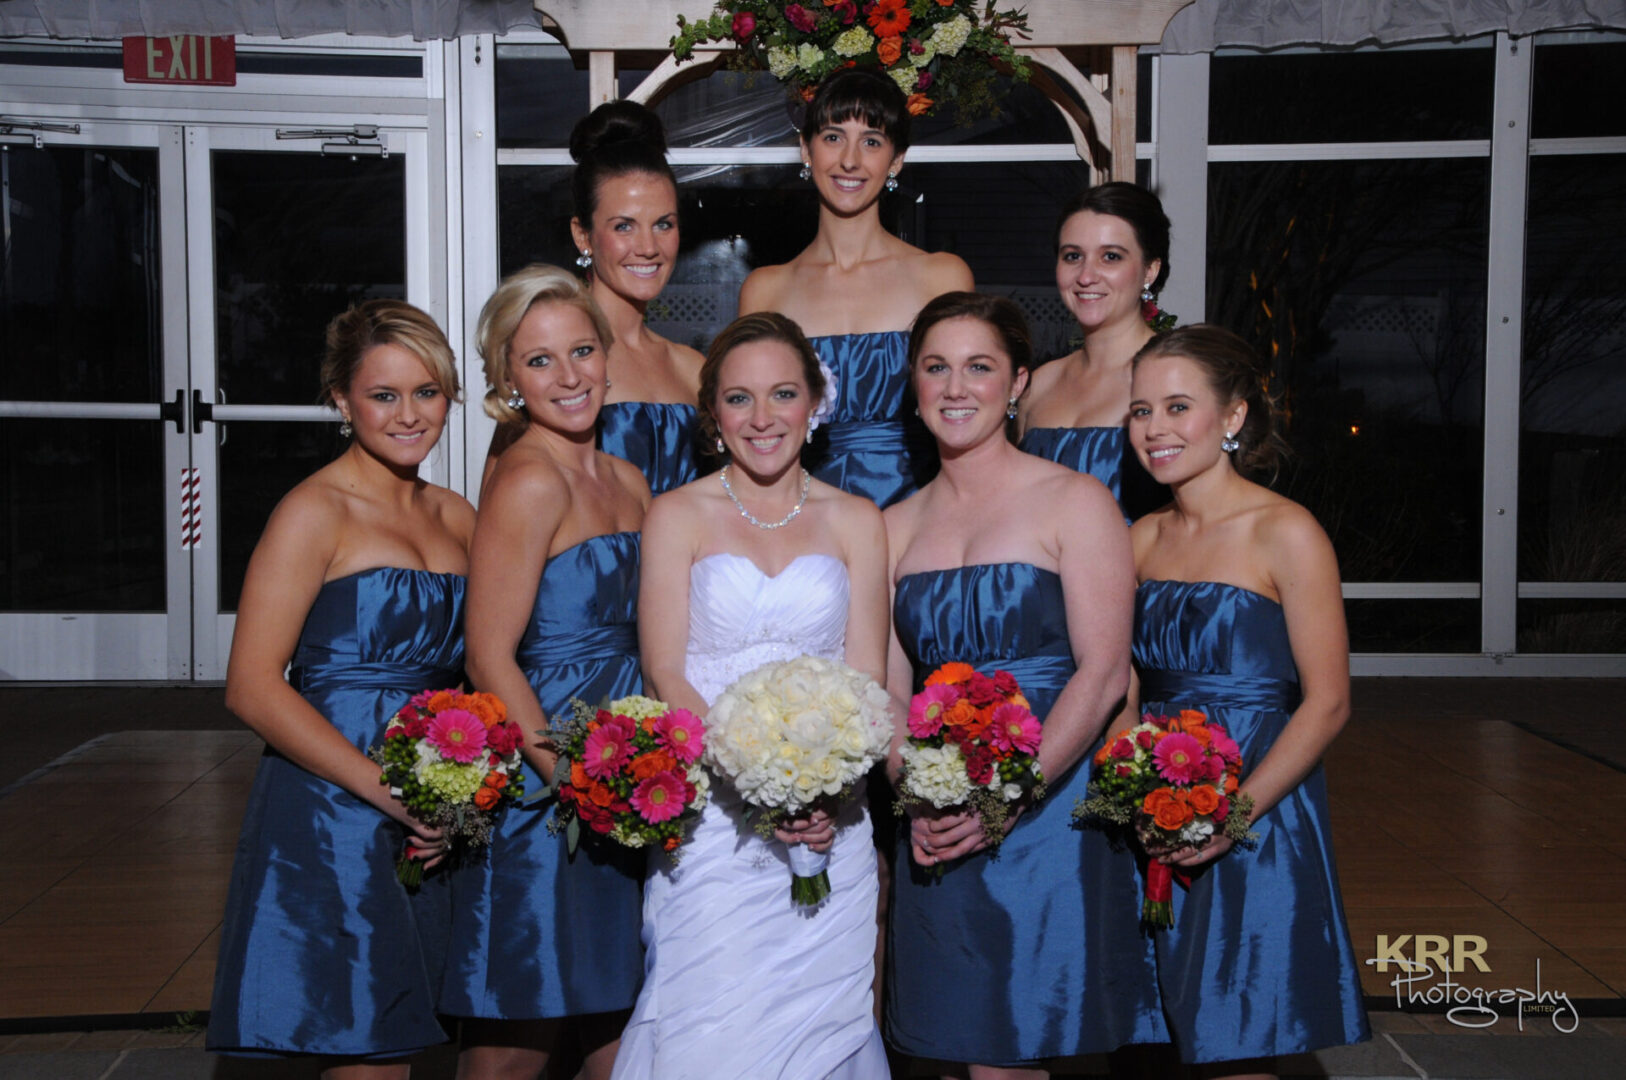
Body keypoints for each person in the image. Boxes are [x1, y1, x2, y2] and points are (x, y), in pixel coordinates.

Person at [884, 293, 1166, 1078]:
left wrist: (1010, 796)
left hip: (1054, 810)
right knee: (964, 1051)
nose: (956, 387)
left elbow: (1105, 671)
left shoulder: (1075, 500)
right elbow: (884, 689)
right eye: (937, 368)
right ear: (914, 386)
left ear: (1017, 384)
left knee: (1045, 1044)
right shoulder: (893, 526)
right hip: (940, 820)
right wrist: (922, 792)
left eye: (980, 367)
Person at [613, 312, 892, 1080]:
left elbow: (868, 681)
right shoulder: (676, 516)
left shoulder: (858, 522)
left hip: (831, 818)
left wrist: (824, 795)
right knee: (710, 1020)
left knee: (823, 1024)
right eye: (739, 399)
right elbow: (665, 670)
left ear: (814, 404)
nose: (762, 419)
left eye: (782, 395)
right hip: (711, 820)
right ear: (713, 415)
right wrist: (759, 787)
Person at [207, 300, 473, 1078]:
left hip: (431, 803)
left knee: (415, 1039)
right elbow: (251, 687)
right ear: (340, 399)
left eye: (427, 392)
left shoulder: (457, 516)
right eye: (384, 395)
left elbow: (478, 671)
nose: (408, 414)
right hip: (331, 809)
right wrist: (385, 791)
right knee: (365, 1050)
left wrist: (454, 795)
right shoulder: (311, 511)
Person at [1125, 325, 1369, 1076]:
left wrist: (1232, 816)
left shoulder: (1286, 532)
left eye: (1176, 407)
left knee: (1240, 1036)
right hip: (1154, 803)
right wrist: (1133, 790)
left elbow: (1328, 702)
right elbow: (1127, 690)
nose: (1155, 429)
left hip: (1258, 805)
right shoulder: (1140, 537)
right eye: (1140, 411)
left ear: (1232, 417)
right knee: (1160, 1030)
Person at [441, 266, 651, 1080]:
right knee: (516, 1031)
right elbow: (486, 654)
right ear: (504, 379)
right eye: (539, 361)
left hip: (624, 773)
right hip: (545, 790)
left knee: (613, 1019)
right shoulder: (528, 478)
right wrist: (567, 777)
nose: (568, 377)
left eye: (582, 351)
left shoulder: (627, 481)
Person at [739, 69, 973, 509]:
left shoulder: (941, 278)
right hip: (802, 521)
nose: (850, 160)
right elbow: (752, 427)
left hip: (922, 514)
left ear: (897, 160)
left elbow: (971, 415)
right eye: (832, 137)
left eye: (871, 141)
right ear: (805, 149)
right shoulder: (765, 290)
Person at [485, 101, 703, 496]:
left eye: (663, 225)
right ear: (582, 235)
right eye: (624, 226)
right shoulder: (554, 360)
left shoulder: (693, 369)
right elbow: (499, 513)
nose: (648, 247)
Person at [1017, 181, 1170, 519]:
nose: (1086, 276)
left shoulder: (1176, 377)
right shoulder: (1038, 386)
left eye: (1110, 257)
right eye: (1073, 256)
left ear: (1150, 270)